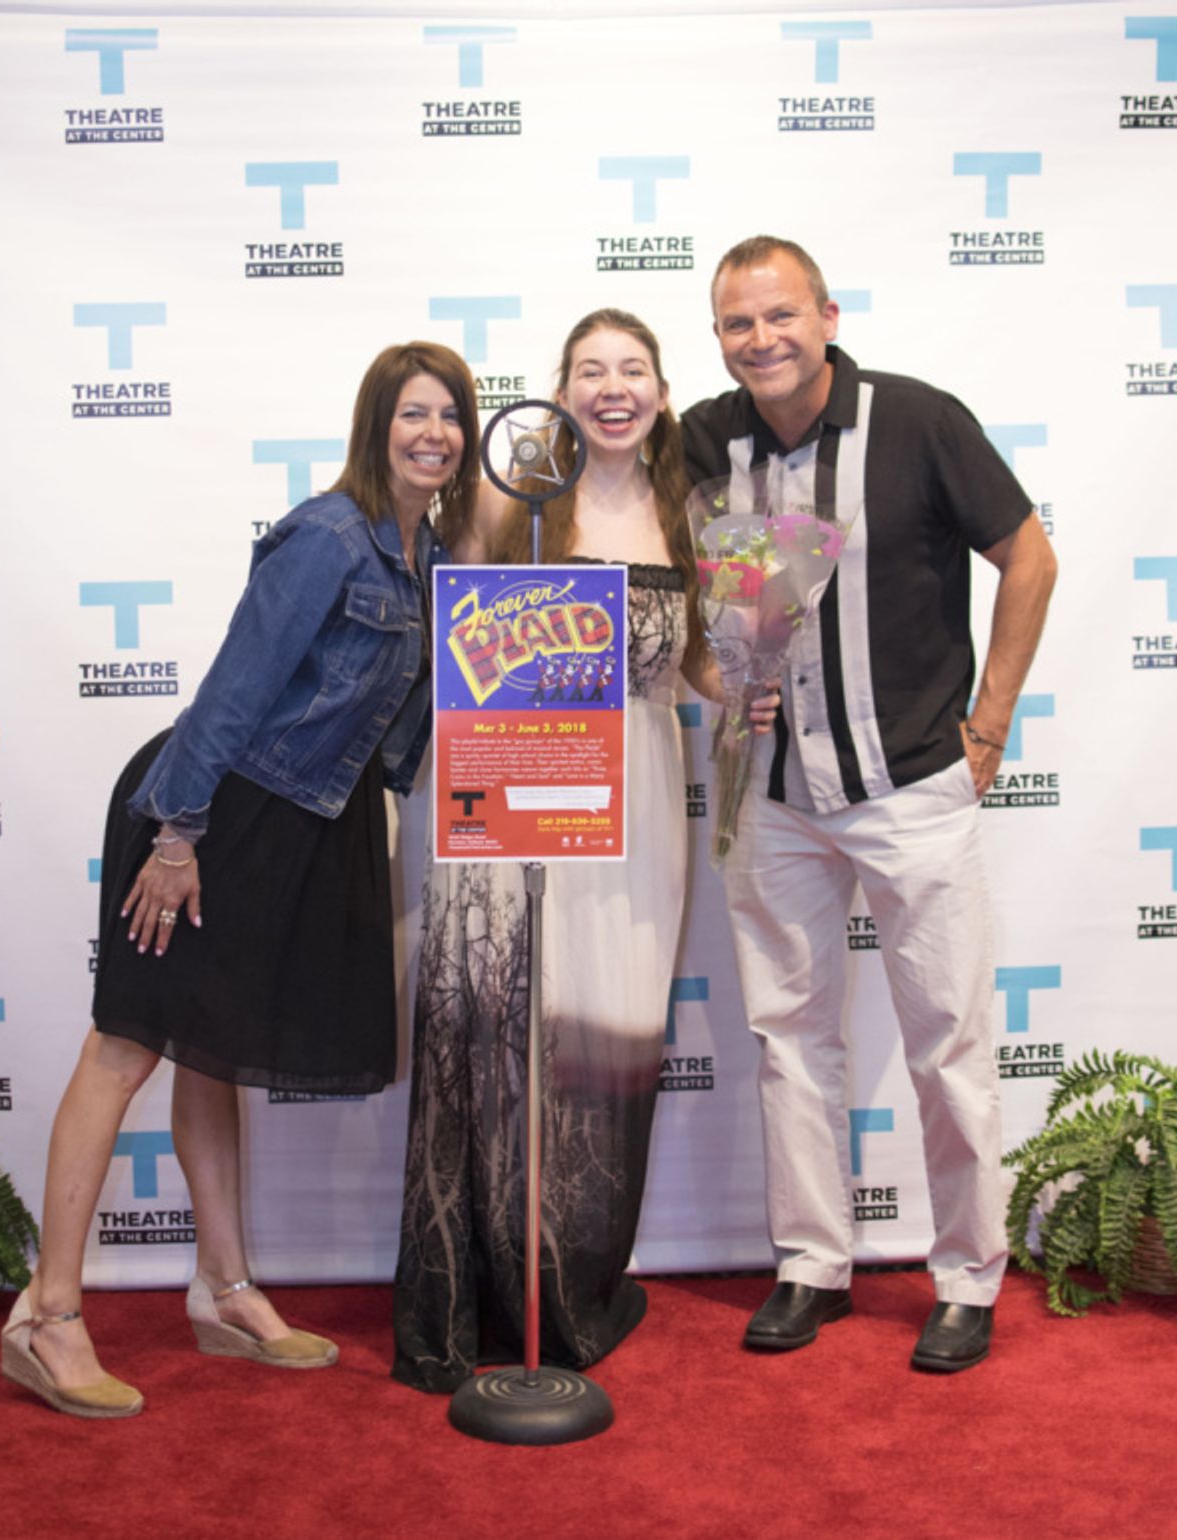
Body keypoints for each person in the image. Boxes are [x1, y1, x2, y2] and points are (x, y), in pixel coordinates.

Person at [0, 342, 479, 1418]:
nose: (434, 434)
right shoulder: (327, 536)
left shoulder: (427, 553)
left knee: (209, 1054)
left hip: (310, 822)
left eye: (451, 415)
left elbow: (403, 721)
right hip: (216, 812)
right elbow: (232, 685)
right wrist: (177, 834)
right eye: (414, 413)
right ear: (376, 424)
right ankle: (48, 1313)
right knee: (125, 1044)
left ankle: (222, 1291)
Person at [681, 236, 1057, 1373]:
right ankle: (811, 1264)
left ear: (828, 315)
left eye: (781, 316)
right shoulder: (701, 438)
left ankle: (966, 1278)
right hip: (775, 792)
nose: (763, 340)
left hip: (910, 783)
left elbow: (1028, 556)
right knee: (790, 1037)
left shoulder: (920, 419)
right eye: (739, 323)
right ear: (719, 337)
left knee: (948, 1036)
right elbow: (664, 580)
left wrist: (988, 722)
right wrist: (714, 681)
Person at [392, 308, 775, 1392]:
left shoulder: (688, 510)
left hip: (638, 808)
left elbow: (698, 663)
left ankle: (572, 1287)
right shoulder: (509, 498)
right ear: (561, 390)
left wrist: (744, 691)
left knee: (603, 1039)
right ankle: (473, 1299)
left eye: (634, 371)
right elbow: (448, 631)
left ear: (661, 391)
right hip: (512, 798)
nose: (614, 388)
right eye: (591, 370)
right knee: (499, 1025)